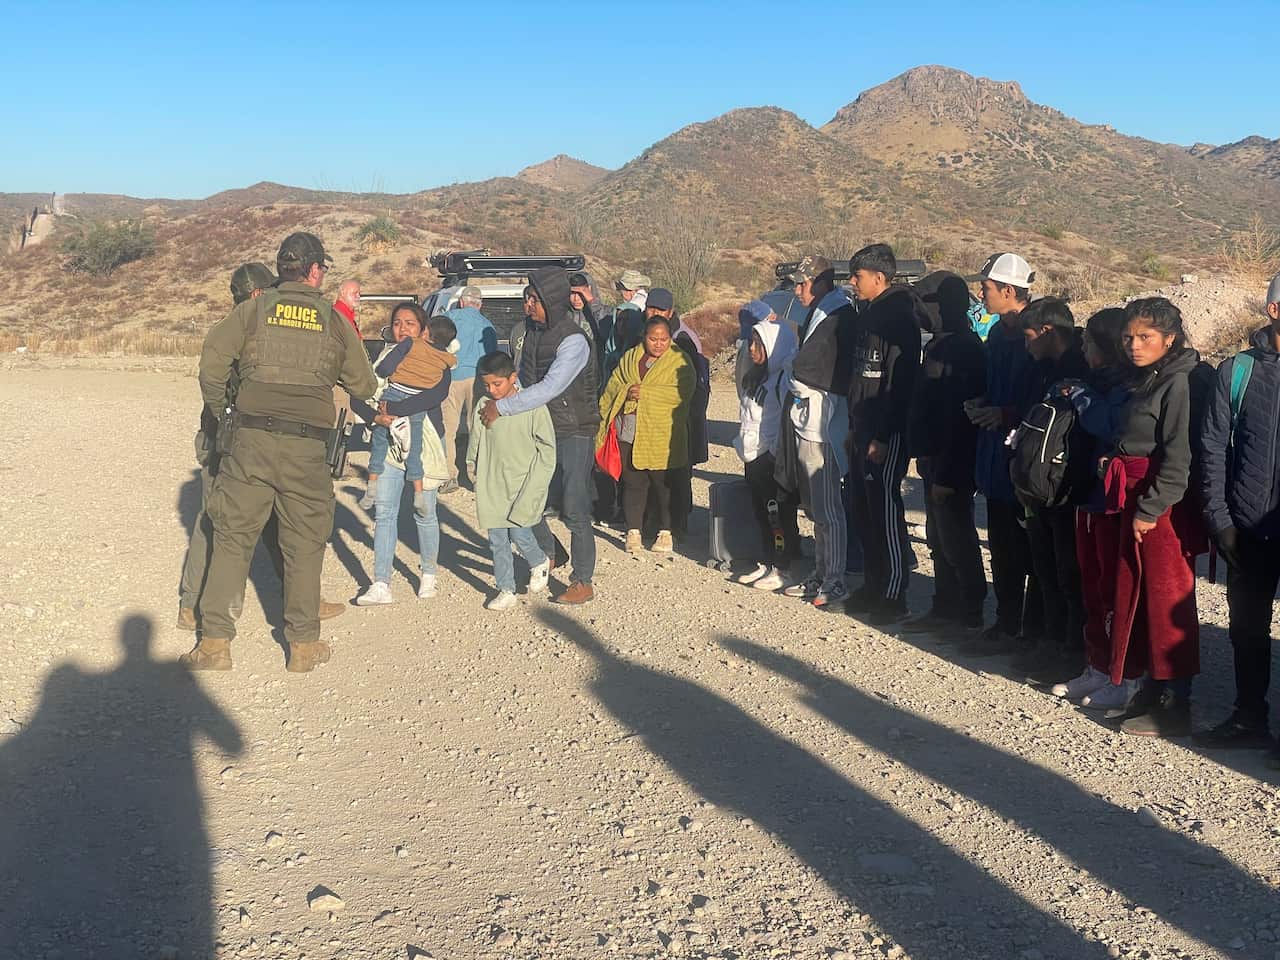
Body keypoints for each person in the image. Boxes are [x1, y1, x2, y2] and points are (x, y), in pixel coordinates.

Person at [187, 232, 377, 673]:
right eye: (323, 268)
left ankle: (214, 644)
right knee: (305, 543)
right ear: (314, 270)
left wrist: (225, 415)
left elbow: (211, 368)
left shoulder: (253, 311)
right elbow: (364, 385)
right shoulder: (334, 321)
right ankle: (303, 646)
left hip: (248, 444)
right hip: (307, 449)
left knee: (233, 539)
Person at [177, 262, 348, 631]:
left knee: (268, 524)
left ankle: (301, 601)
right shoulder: (247, 329)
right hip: (232, 441)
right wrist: (227, 417)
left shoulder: (239, 327)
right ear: (257, 293)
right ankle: (194, 606)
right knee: (219, 524)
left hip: (237, 440)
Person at [1077, 298, 1204, 736]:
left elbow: (1178, 457)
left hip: (1160, 506)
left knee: (1168, 600)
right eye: (1129, 337)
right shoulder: (1145, 379)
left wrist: (1150, 509)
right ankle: (1148, 687)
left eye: (1146, 337)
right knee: (1140, 596)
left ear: (1169, 339)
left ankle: (1175, 701)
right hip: (1131, 497)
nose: (1134, 345)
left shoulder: (1179, 383)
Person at [1194, 271, 1280, 758]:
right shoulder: (1238, 371)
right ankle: (1249, 717)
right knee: (1247, 630)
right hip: (1244, 526)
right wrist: (1219, 519)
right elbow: (1211, 449)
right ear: (1274, 311)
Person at [490, 267, 599, 604]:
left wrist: (504, 409)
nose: (528, 305)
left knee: (575, 508)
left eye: (534, 299)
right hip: (543, 428)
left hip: (574, 430)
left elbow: (551, 387)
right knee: (528, 498)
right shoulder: (532, 333)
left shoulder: (574, 341)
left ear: (551, 300)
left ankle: (583, 581)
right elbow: (525, 379)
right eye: (527, 299)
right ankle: (551, 553)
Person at [960, 252, 1044, 656]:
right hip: (995, 457)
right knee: (1002, 545)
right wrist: (982, 404)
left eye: (987, 288)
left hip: (1026, 460)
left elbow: (1041, 400)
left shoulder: (1037, 337)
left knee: (1028, 550)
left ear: (1009, 291)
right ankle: (1006, 622)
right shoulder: (996, 334)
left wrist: (1006, 413)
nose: (982, 293)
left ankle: (1031, 629)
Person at [1048, 308, 1133, 702]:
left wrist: (1081, 396)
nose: (1083, 349)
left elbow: (1109, 424)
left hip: (1112, 504)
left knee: (1117, 590)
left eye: (1088, 343)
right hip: (1087, 498)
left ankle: (1124, 674)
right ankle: (1098, 666)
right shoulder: (1095, 381)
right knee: (1094, 587)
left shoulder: (1129, 386)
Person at [843, 243, 924, 625]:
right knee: (864, 509)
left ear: (879, 277)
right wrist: (853, 428)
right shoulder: (869, 314)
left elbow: (898, 384)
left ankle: (894, 593)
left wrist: (884, 434)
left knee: (886, 510)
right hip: (861, 430)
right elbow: (860, 379)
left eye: (858, 277)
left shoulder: (899, 319)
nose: (853, 283)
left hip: (884, 435)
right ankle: (873, 585)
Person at [903, 272, 987, 633]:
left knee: (956, 537)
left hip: (950, 462)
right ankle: (945, 606)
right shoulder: (939, 344)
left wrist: (948, 475)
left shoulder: (962, 349)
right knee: (938, 537)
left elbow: (959, 418)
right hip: (933, 458)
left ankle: (968, 611)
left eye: (927, 304)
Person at [1011, 297, 1090, 681]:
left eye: (1029, 336)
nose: (1025, 345)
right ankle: (1047, 640)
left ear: (1047, 331)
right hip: (1040, 489)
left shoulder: (1079, 370)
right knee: (1044, 568)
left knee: (1068, 574)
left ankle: (1071, 651)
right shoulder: (1042, 368)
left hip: (1066, 489)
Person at [353, 303, 451, 607]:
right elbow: (358, 398)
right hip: (389, 444)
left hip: (425, 445)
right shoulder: (383, 360)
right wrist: (375, 417)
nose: (402, 328)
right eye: (397, 323)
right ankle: (381, 582)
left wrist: (392, 410)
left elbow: (434, 396)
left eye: (410, 323)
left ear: (424, 330)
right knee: (384, 514)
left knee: (425, 512)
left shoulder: (435, 362)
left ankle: (429, 575)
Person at [776, 255, 856, 609]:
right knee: (815, 506)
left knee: (828, 506)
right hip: (810, 418)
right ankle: (821, 571)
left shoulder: (836, 313)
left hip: (824, 422)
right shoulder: (821, 310)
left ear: (822, 281)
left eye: (803, 282)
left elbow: (806, 365)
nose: (798, 289)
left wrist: (794, 371)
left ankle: (835, 578)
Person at [597, 315, 695, 554]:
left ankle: (666, 531)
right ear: (644, 337)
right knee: (633, 482)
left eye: (663, 339)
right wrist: (627, 392)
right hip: (629, 429)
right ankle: (633, 531)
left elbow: (682, 392)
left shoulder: (679, 360)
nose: (658, 344)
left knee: (663, 484)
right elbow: (613, 384)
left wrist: (647, 393)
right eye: (653, 339)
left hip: (662, 433)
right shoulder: (631, 357)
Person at [467, 352, 556, 610]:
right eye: (487, 385)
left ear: (513, 377)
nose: (492, 390)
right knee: (497, 538)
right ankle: (506, 589)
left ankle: (538, 560)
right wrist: (472, 463)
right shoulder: (485, 404)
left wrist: (540, 479)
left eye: (498, 384)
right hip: (492, 479)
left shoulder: (533, 405)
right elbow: (477, 436)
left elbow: (547, 448)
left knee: (519, 530)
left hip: (522, 480)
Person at [361, 314, 458, 513]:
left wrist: (384, 374)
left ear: (427, 332)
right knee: (415, 448)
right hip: (417, 404)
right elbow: (443, 382)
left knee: (380, 438)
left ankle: (371, 486)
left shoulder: (412, 344)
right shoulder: (448, 360)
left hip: (394, 395)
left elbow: (385, 368)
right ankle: (419, 494)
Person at [734, 307, 800, 590]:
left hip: (771, 459)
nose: (751, 349)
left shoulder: (782, 383)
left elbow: (785, 422)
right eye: (751, 342)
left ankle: (782, 566)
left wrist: (773, 454)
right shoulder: (757, 377)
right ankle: (768, 560)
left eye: (758, 344)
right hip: (753, 457)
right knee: (762, 512)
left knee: (778, 515)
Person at [645, 288, 709, 542]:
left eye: (660, 310)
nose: (654, 313)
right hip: (655, 416)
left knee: (678, 473)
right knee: (654, 471)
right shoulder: (649, 334)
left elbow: (695, 383)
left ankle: (677, 524)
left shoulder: (682, 339)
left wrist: (688, 417)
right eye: (651, 308)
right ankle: (656, 520)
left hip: (680, 417)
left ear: (670, 311)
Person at [442, 286, 498, 493]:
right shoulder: (487, 325)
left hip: (452, 378)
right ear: (480, 304)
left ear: (462, 302)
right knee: (477, 427)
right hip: (478, 379)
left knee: (448, 428)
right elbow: (492, 357)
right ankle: (476, 477)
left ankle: (449, 476)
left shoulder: (450, 317)